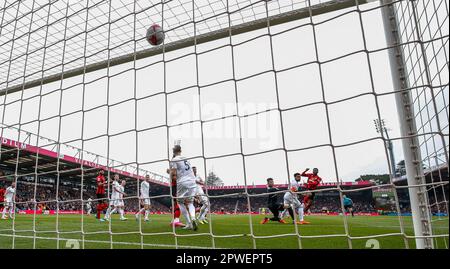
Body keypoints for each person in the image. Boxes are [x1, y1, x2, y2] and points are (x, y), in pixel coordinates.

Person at [169, 145, 198, 231]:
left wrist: (170, 174)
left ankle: (189, 223)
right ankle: (193, 217)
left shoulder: (174, 160)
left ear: (173, 152)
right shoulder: (186, 158)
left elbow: (173, 174)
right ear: (181, 150)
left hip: (183, 182)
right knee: (190, 203)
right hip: (192, 181)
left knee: (180, 202)